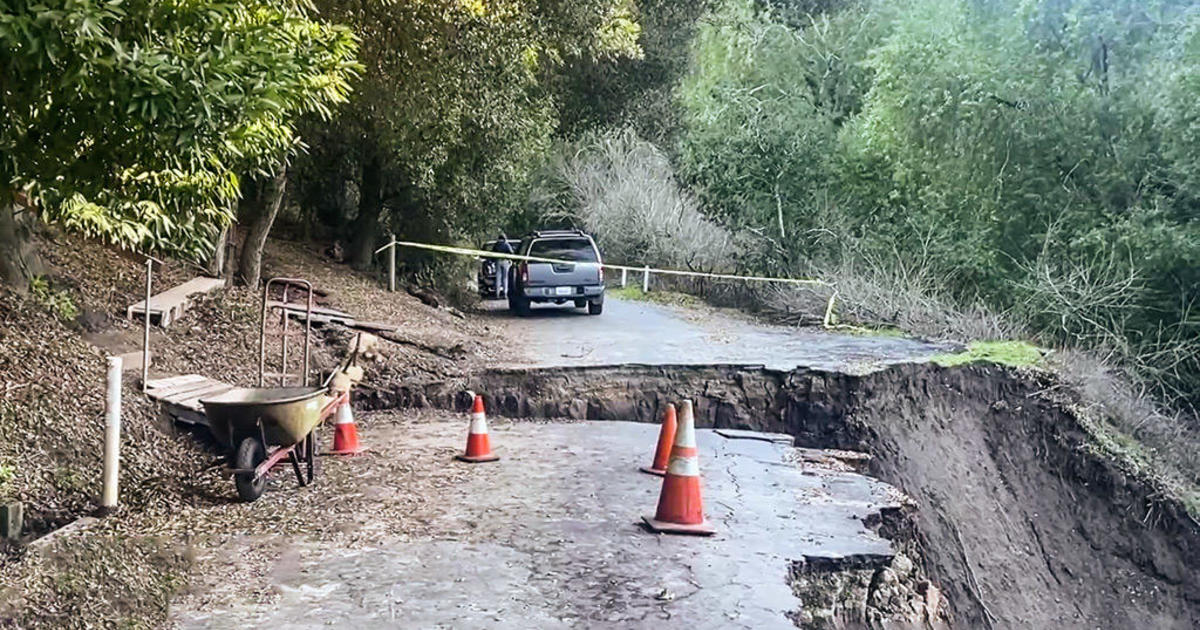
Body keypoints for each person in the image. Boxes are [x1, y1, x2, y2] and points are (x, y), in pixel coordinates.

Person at [492, 233, 514, 298]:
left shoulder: (496, 245)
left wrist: (493, 260)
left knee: (498, 277)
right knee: (505, 278)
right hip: (505, 261)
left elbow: (492, 253)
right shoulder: (506, 244)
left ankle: (497, 294)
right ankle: (505, 293)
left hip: (498, 261)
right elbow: (511, 252)